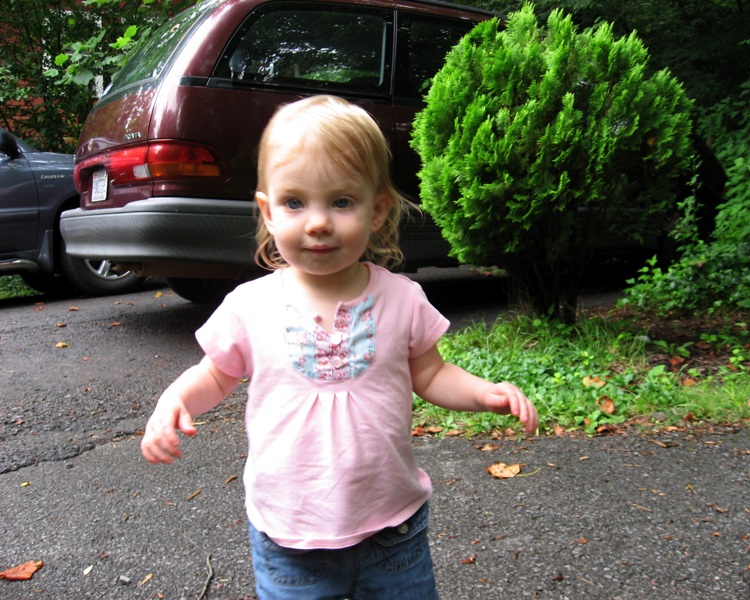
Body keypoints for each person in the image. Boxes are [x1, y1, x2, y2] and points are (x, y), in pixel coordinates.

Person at [141, 94, 538, 599]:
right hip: (290, 538)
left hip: (392, 530)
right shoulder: (251, 305)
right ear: (266, 210)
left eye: (342, 202)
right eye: (294, 202)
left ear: (378, 210)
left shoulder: (400, 298)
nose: (318, 222)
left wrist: (485, 393)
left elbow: (432, 375)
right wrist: (174, 399)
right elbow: (216, 373)